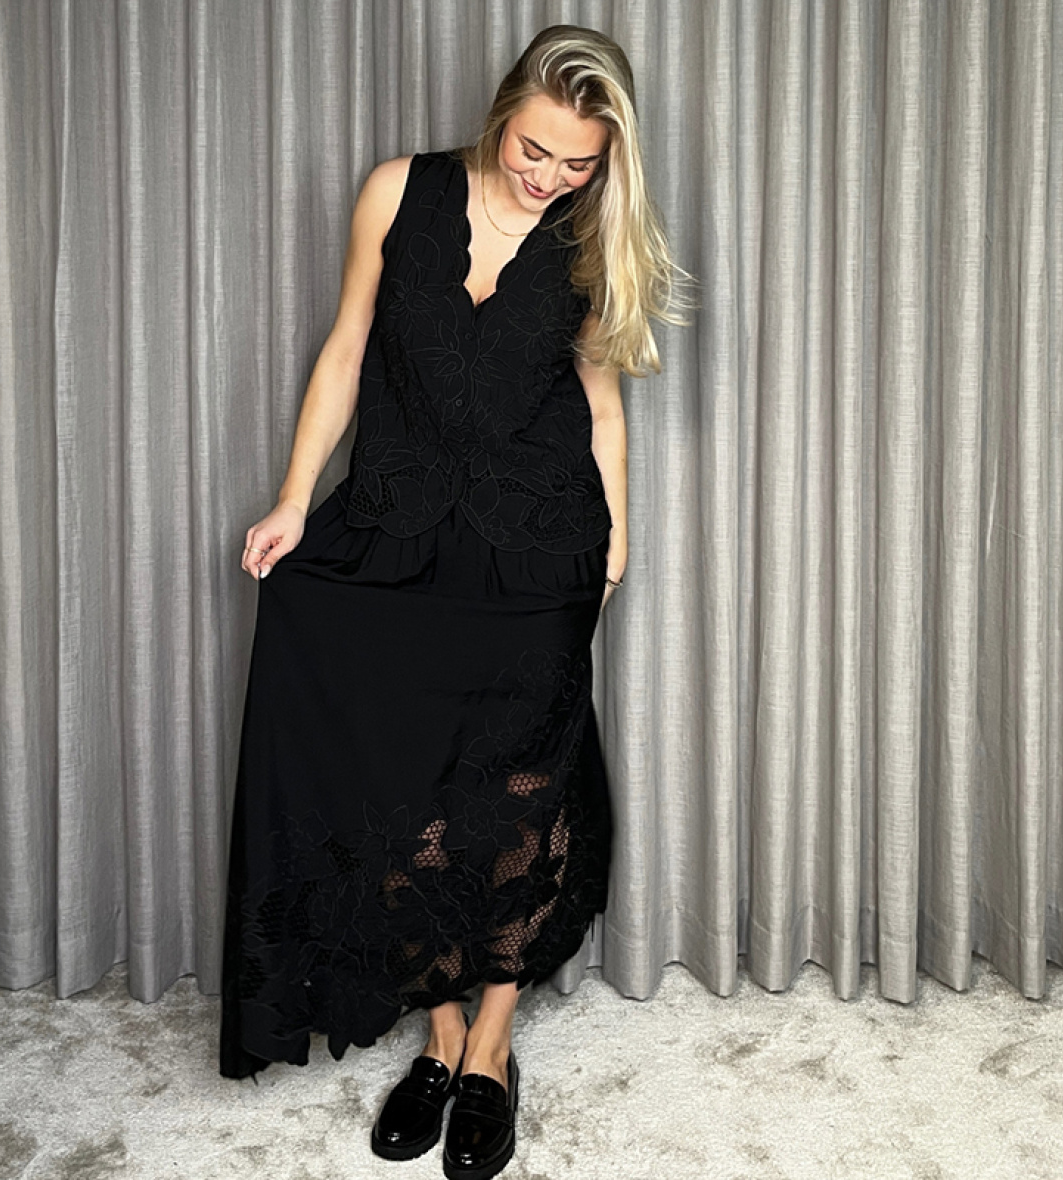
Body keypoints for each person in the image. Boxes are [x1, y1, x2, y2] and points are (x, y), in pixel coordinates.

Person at [218, 22, 689, 1180]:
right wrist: (293, 500)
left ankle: (489, 1046)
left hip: (537, 551)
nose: (550, 176)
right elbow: (345, 349)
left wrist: (616, 541)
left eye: (578, 162)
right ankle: (436, 1030)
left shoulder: (591, 232)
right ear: (500, 114)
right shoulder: (398, 191)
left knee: (513, 798)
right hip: (393, 530)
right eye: (534, 150)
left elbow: (601, 404)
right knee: (395, 781)